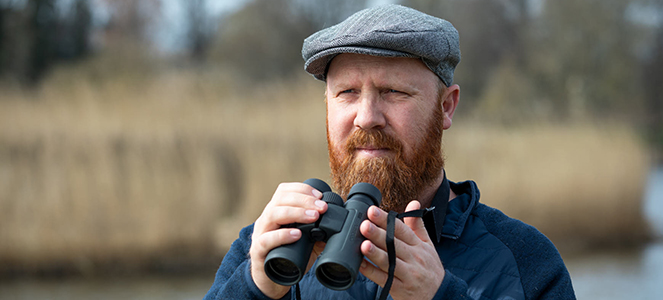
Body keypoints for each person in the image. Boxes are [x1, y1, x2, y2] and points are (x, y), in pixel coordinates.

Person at [204, 4, 575, 300]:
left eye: (394, 92)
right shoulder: (268, 247)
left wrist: (440, 295)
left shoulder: (526, 261)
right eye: (347, 92)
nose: (366, 118)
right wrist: (254, 290)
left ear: (446, 107)